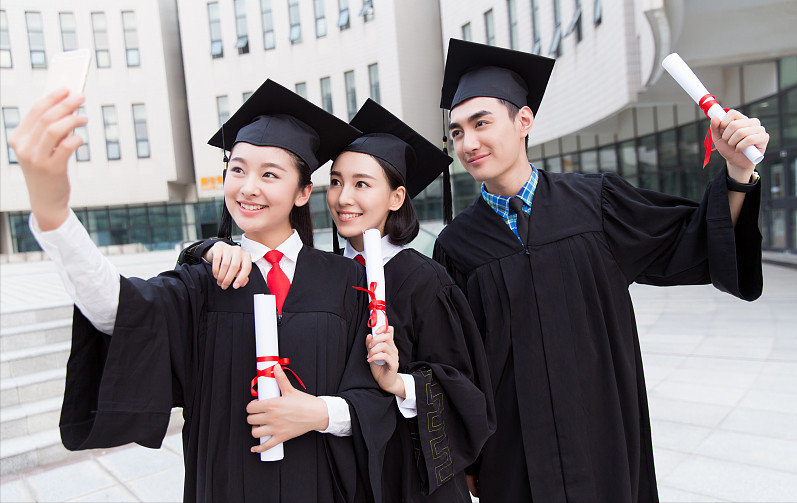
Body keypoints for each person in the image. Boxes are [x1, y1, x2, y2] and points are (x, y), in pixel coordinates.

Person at [10, 80, 396, 502]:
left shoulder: (347, 282)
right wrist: (54, 215)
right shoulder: (205, 280)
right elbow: (117, 311)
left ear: (303, 192)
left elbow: (375, 397)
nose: (248, 187)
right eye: (238, 170)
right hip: (227, 484)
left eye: (269, 174)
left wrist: (319, 413)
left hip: (324, 486)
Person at [431, 39, 768, 502]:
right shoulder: (456, 246)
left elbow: (695, 240)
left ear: (524, 121)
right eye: (457, 132)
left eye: (481, 123)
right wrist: (467, 454)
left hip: (604, 433)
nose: (468, 143)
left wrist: (736, 172)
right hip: (513, 454)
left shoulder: (596, 203)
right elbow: (457, 363)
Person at [184, 99, 496, 502]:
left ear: (397, 197)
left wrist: (398, 382)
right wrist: (203, 249)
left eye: (362, 184)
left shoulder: (423, 280)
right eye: (335, 181)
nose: (343, 198)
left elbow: (463, 388)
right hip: (340, 473)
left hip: (408, 474)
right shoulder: (326, 275)